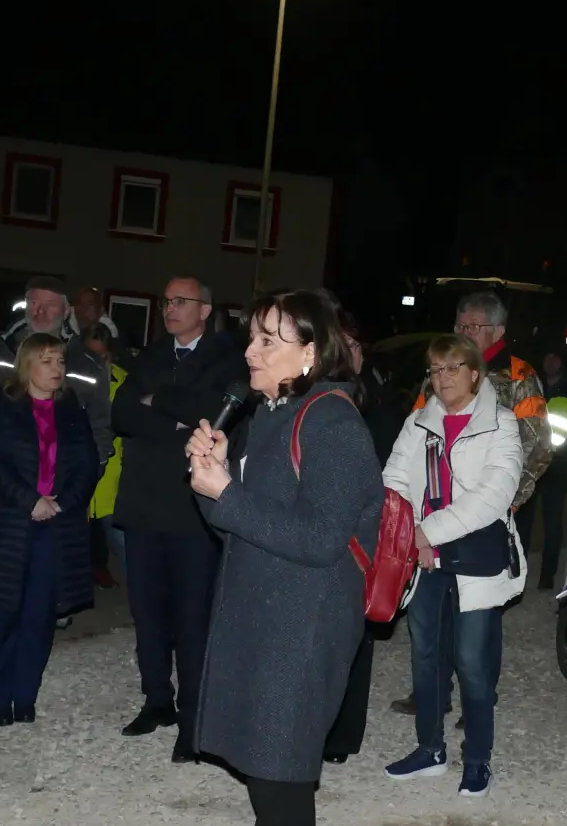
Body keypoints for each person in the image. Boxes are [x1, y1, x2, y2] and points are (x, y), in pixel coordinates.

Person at [184, 288, 384, 826]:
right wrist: (214, 487)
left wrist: (228, 494)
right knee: (264, 771)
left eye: (269, 340)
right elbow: (237, 530)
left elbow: (320, 540)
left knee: (280, 778)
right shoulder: (274, 414)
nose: (251, 350)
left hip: (302, 628)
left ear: (311, 354)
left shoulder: (333, 425)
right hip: (264, 617)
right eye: (252, 336)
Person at [393, 290, 550, 716]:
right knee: (433, 604)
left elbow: (536, 446)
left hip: (490, 514)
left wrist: (505, 505)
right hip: (437, 512)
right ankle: (433, 691)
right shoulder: (440, 373)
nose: (464, 332)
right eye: (460, 324)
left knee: (479, 613)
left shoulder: (518, 376)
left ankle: (478, 699)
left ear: (498, 331)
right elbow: (415, 438)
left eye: (474, 326)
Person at [112, 275, 248, 762]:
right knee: (147, 614)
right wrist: (172, 417)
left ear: (205, 309)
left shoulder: (227, 359)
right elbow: (122, 411)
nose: (170, 308)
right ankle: (157, 701)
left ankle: (193, 722)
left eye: (180, 301)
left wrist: (161, 401)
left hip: (193, 511)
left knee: (192, 620)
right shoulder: (151, 356)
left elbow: (214, 412)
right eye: (166, 300)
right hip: (145, 505)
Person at [380, 333, 524, 796]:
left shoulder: (502, 423)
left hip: (474, 560)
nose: (442, 378)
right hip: (423, 557)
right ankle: (430, 750)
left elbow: (494, 494)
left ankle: (478, 760)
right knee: (425, 657)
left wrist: (427, 532)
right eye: (436, 370)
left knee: (472, 663)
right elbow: (395, 480)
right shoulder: (418, 422)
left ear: (475, 373)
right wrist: (410, 534)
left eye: (453, 368)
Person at [0, 275, 111, 681]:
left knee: (43, 579)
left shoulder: (87, 365)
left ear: (67, 312)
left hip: (59, 497)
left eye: (50, 305)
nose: (41, 312)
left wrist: (78, 489)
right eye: (34, 304)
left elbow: (99, 430)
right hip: (0, 490)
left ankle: (29, 657)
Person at [0, 334, 100, 726]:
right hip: (9, 525)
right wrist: (30, 501)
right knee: (1, 613)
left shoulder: (71, 407)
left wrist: (62, 503)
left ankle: (25, 697)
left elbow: (87, 463)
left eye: (60, 361)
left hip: (55, 527)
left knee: (39, 617)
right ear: (27, 366)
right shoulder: (4, 406)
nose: (57, 369)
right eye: (47, 361)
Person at [322, 307, 402, 765]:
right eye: (342, 344)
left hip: (362, 531)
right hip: (325, 525)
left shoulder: (378, 398)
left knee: (357, 636)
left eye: (354, 344)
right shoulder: (320, 396)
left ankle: (343, 736)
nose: (349, 352)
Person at [518, 348, 567, 589]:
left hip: (556, 466)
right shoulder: (534, 388)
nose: (550, 360)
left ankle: (547, 576)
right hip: (529, 465)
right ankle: (518, 572)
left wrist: (565, 454)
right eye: (547, 355)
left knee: (553, 522)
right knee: (522, 522)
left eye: (555, 356)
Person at [84, 323, 128, 586]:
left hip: (113, 482)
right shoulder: (71, 380)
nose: (98, 363)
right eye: (91, 356)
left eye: (103, 356)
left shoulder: (124, 382)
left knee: (122, 543)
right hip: (81, 480)